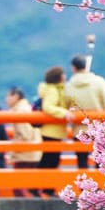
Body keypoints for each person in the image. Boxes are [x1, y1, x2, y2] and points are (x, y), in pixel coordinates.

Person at [64, 54, 105, 169]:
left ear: (73, 68)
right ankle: (101, 185)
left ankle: (84, 186)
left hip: (79, 130)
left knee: (82, 161)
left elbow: (65, 106)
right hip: (99, 128)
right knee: (101, 162)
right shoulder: (99, 82)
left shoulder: (68, 86)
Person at [36, 66, 70, 196]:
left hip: (53, 131)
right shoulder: (52, 90)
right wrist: (64, 113)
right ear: (59, 77)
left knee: (50, 160)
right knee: (49, 160)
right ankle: (42, 187)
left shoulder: (56, 89)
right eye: (63, 74)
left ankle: (46, 188)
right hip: (51, 131)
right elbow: (48, 107)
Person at [5, 86, 42, 197]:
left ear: (16, 96)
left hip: (25, 154)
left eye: (8, 96)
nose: (6, 99)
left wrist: (13, 150)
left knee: (18, 187)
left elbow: (25, 134)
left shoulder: (20, 111)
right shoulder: (26, 107)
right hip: (33, 152)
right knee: (32, 185)